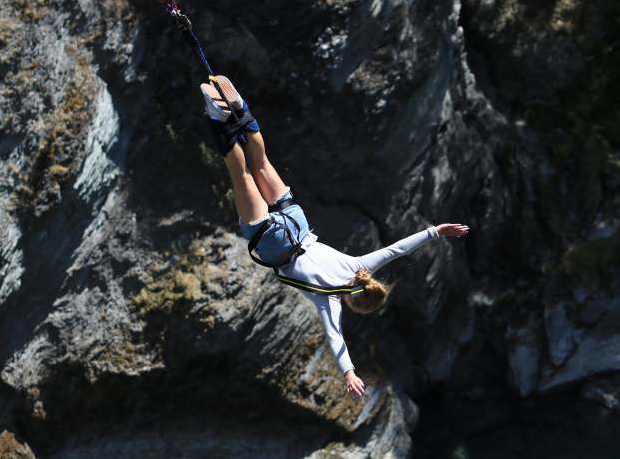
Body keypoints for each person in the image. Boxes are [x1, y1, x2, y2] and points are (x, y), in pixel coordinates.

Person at [201, 75, 470, 397]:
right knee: (240, 172)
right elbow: (335, 338)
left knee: (260, 163)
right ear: (355, 304)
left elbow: (398, 250)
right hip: (272, 240)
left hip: (297, 222)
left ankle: (241, 112)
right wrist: (349, 372)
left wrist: (435, 231)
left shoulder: (360, 265)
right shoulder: (329, 300)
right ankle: (219, 120)